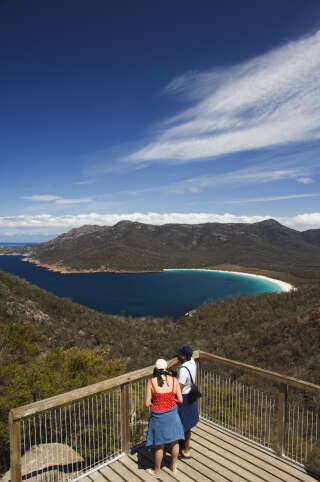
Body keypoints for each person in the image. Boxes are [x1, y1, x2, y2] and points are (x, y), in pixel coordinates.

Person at [145, 358, 184, 478]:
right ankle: (173, 466)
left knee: (159, 445)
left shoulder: (151, 382)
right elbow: (180, 400)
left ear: (156, 369)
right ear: (167, 368)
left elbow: (147, 403)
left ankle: (157, 471)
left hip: (158, 417)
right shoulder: (174, 381)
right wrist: (171, 400)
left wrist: (155, 403)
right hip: (172, 414)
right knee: (174, 441)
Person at [175, 345, 200, 458]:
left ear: (184, 357)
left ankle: (185, 450)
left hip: (183, 398)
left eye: (179, 355)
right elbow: (179, 361)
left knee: (184, 425)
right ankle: (184, 447)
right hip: (190, 395)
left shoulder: (183, 371)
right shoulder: (192, 362)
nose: (177, 356)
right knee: (187, 424)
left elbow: (178, 389)